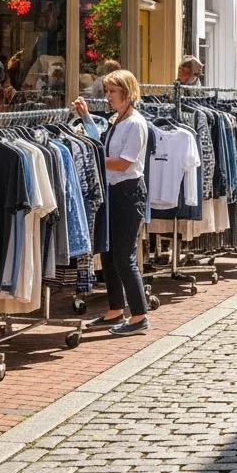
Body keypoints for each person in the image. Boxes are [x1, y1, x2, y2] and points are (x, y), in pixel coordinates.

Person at [72, 70, 150, 336]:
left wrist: (92, 161)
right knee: (107, 252)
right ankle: (115, 308)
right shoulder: (118, 119)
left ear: (127, 93)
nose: (108, 97)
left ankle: (139, 315)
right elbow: (101, 144)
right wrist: (84, 117)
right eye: (106, 92)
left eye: (112, 92)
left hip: (128, 192)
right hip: (113, 191)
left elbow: (124, 162)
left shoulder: (136, 124)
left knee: (124, 256)